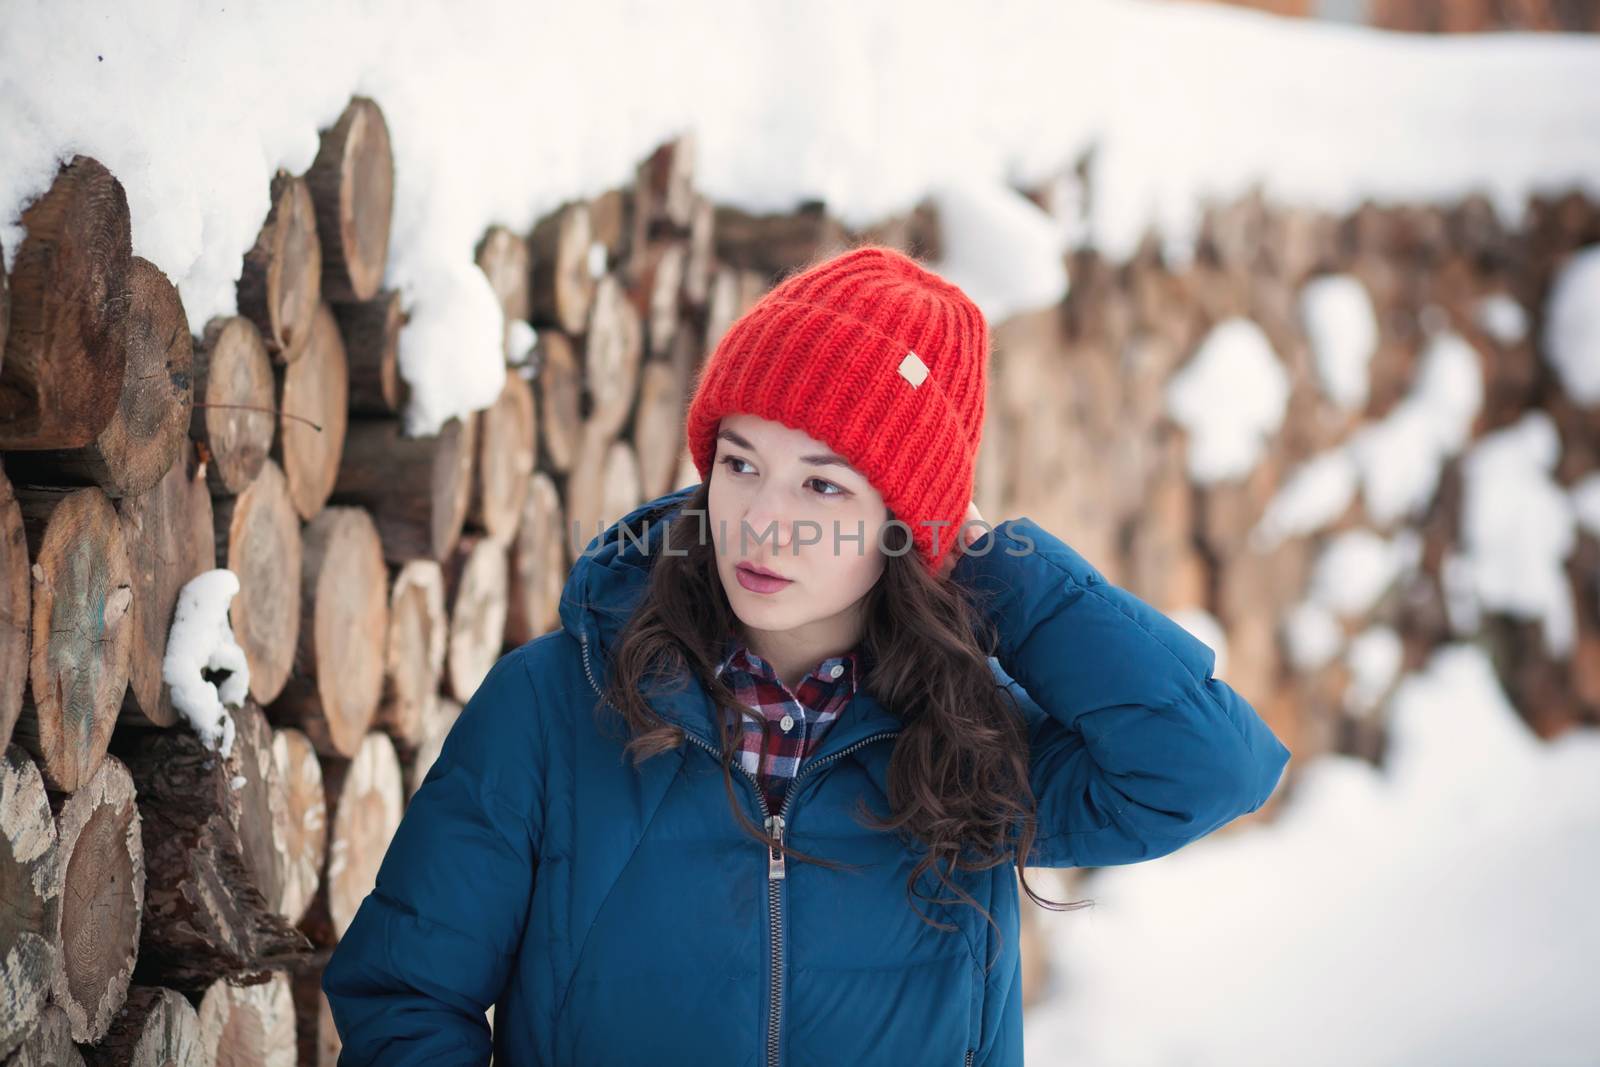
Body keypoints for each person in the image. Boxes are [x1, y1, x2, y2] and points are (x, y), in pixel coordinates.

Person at [322, 244, 1292, 1066]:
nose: (762, 522)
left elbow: (1209, 764)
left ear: (909, 525)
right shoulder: (552, 704)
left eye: (824, 488)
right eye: (741, 464)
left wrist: (998, 564)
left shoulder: (968, 742)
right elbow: (402, 992)